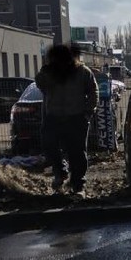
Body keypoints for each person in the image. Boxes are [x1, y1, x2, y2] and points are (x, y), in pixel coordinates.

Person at [35, 44, 99, 197]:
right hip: (54, 116)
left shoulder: (83, 72)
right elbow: (40, 84)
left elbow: (93, 91)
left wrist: (88, 113)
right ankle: (60, 172)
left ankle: (78, 185)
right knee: (49, 145)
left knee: (77, 152)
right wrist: (45, 71)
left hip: (76, 117)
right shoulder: (50, 72)